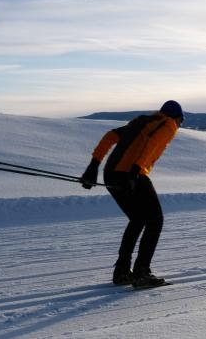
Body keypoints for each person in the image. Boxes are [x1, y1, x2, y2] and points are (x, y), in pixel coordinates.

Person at [79, 100, 184, 288]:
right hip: (131, 174)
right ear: (178, 117)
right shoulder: (168, 124)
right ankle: (142, 272)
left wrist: (93, 166)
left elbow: (110, 136)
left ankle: (122, 272)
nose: (179, 126)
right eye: (181, 122)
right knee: (155, 220)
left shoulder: (141, 122)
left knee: (138, 219)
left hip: (111, 174)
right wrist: (135, 172)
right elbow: (152, 144)